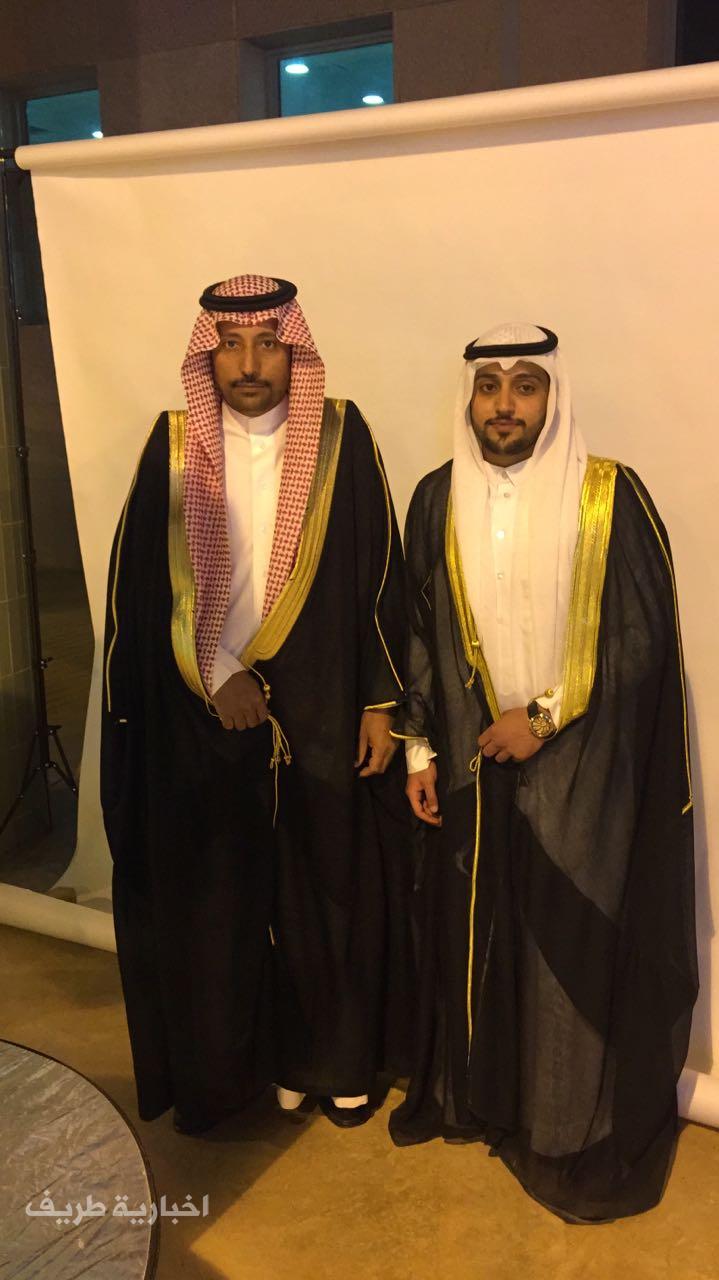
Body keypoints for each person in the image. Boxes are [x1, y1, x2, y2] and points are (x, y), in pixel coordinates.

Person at [389, 322, 697, 1222]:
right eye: (489, 387)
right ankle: (488, 1103)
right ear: (468, 399)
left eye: (525, 386)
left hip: (581, 771)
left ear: (553, 396)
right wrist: (418, 749)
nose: (504, 406)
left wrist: (544, 717)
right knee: (482, 938)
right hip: (469, 763)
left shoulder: (609, 495)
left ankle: (564, 1130)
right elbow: (418, 632)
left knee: (569, 951)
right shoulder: (434, 496)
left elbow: (639, 639)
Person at [101, 274, 413, 1134]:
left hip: (322, 698)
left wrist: (380, 703)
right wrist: (215, 670)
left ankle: (334, 1067)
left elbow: (379, 574)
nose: (247, 364)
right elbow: (141, 590)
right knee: (219, 901)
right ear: (206, 356)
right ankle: (238, 1076)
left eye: (267, 344)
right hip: (202, 708)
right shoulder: (171, 446)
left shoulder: (341, 436)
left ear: (293, 351)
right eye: (230, 345)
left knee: (328, 889)